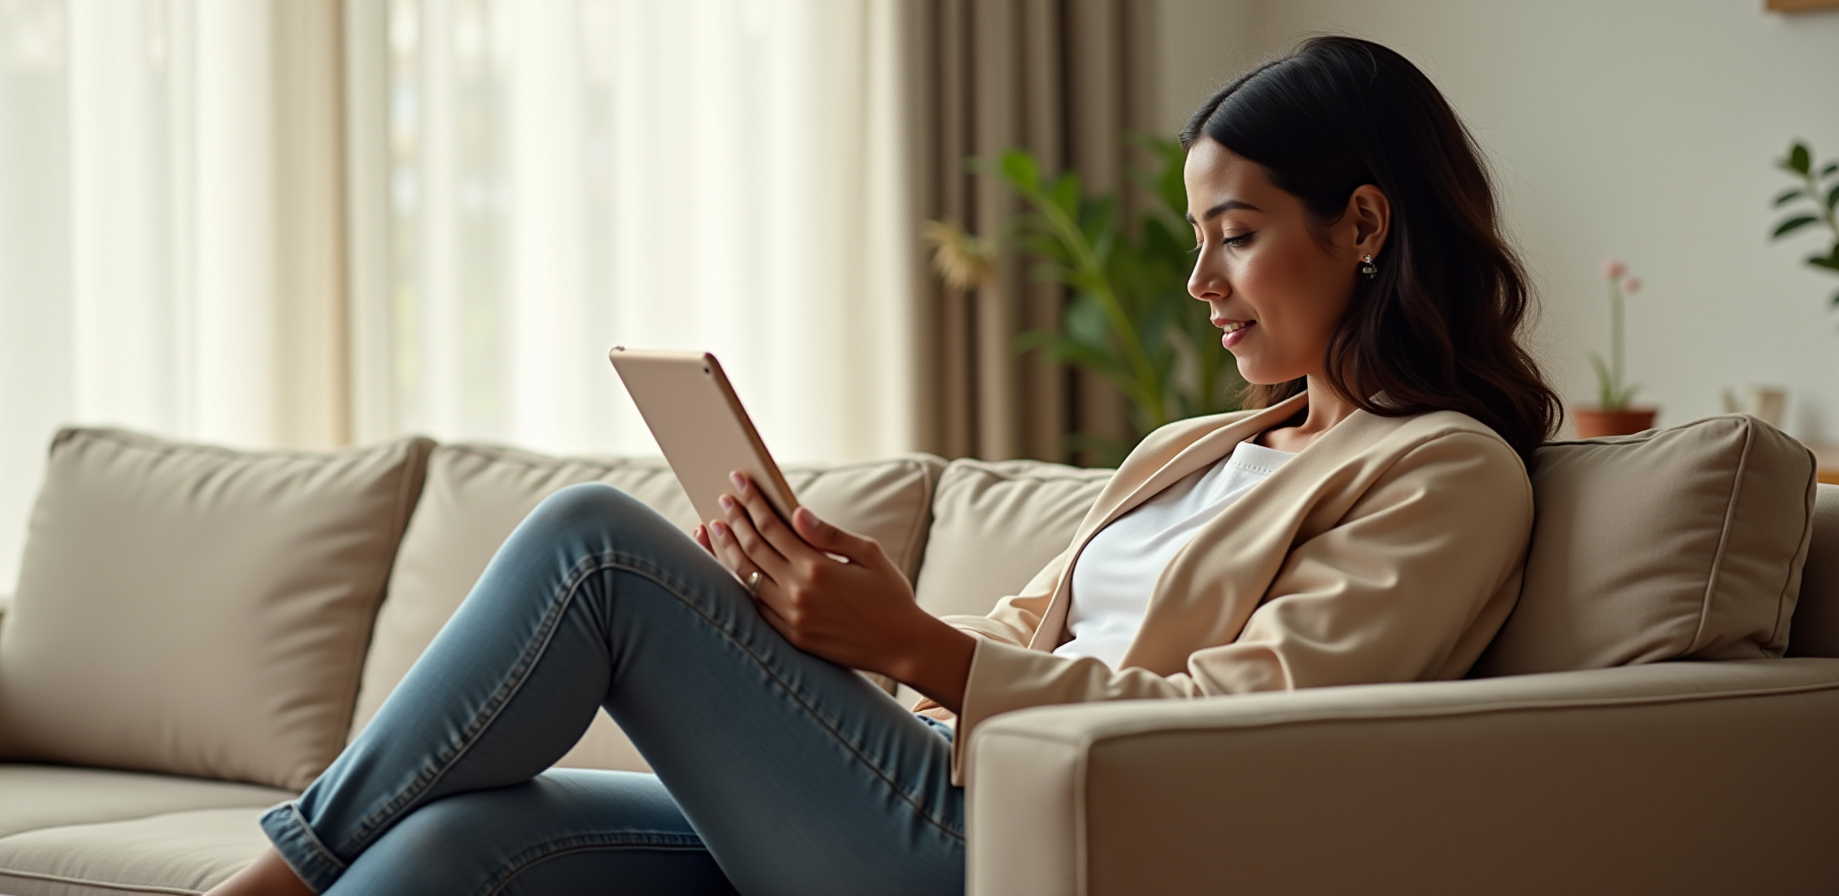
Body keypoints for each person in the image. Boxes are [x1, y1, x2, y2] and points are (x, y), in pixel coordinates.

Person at [207, 34, 1559, 896]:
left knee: (596, 548)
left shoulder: (1444, 473)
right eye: (1199, 237)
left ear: (1364, 221)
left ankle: (263, 880)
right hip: (926, 791)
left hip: (1033, 853)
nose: (1200, 279)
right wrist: (845, 619)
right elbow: (1035, 629)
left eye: (1238, 233)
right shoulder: (1202, 446)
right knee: (457, 844)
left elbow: (1245, 724)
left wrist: (920, 652)